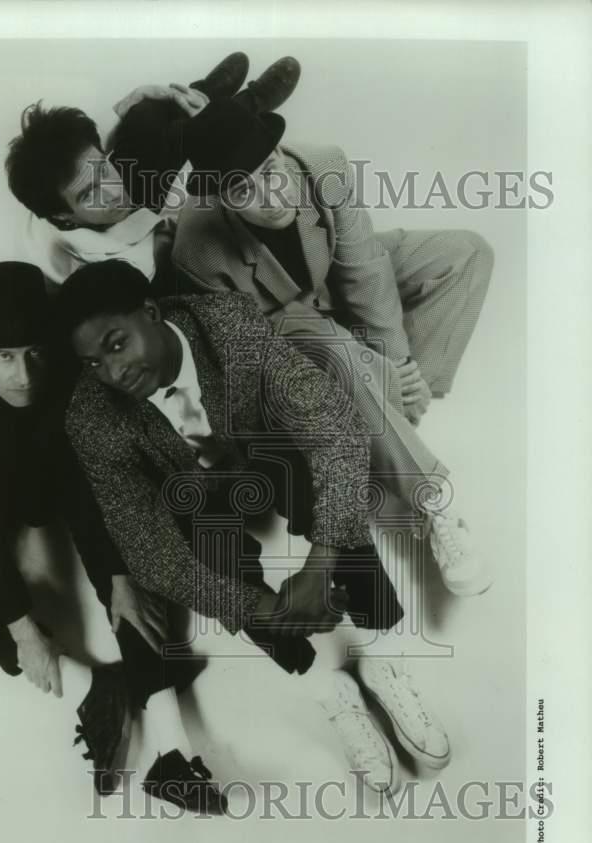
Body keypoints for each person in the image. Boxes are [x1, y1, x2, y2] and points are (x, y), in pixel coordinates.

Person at [57, 259, 453, 799]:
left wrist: (321, 563)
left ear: (150, 313)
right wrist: (264, 609)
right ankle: (325, 687)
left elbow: (332, 427)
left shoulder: (226, 324)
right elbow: (150, 552)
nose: (112, 371)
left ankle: (383, 657)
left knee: (318, 473)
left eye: (117, 344)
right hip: (193, 496)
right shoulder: (92, 415)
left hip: (262, 453)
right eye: (94, 362)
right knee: (208, 554)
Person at [0, 261, 201, 800]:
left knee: (126, 558)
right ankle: (94, 689)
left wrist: (115, 574)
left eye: (33, 352)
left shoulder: (63, 353)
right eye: (4, 358)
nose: (23, 375)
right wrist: (19, 626)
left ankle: (169, 742)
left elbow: (95, 481)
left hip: (65, 453)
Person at [171, 98, 496, 597]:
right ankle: (429, 499)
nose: (272, 197)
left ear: (281, 152)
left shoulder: (324, 165)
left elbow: (364, 268)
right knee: (336, 349)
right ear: (220, 198)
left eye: (271, 172)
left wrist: (400, 363)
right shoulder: (197, 248)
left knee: (466, 252)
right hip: (283, 328)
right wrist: (363, 359)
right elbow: (258, 353)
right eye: (243, 189)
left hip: (333, 287)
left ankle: (394, 412)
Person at [4, 52, 302, 292]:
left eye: (103, 170)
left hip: (142, 208)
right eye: (89, 194)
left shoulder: (68, 187)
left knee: (143, 123)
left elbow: (94, 158)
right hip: (164, 228)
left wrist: (139, 102)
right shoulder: (108, 267)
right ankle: (249, 106)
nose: (112, 189)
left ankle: (198, 95)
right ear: (63, 217)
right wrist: (221, 132)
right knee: (195, 158)